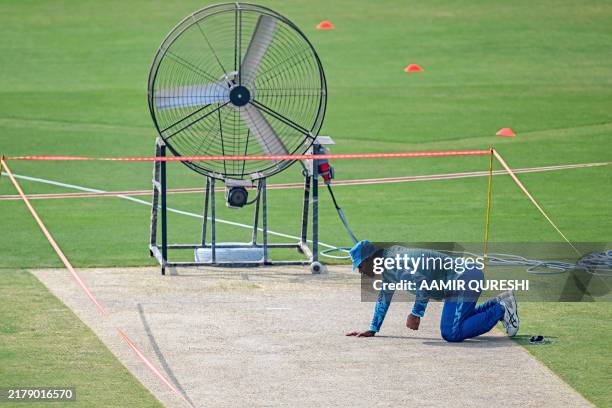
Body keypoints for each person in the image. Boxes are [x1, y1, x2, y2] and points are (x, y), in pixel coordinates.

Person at [346, 240, 519, 342]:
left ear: (370, 259)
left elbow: (423, 284)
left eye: (360, 265)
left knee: (452, 332)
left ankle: (501, 309)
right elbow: (384, 297)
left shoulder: (394, 262)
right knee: (456, 323)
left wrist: (416, 313)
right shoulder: (388, 263)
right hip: (463, 279)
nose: (360, 271)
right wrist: (373, 328)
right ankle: (499, 303)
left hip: (464, 279)